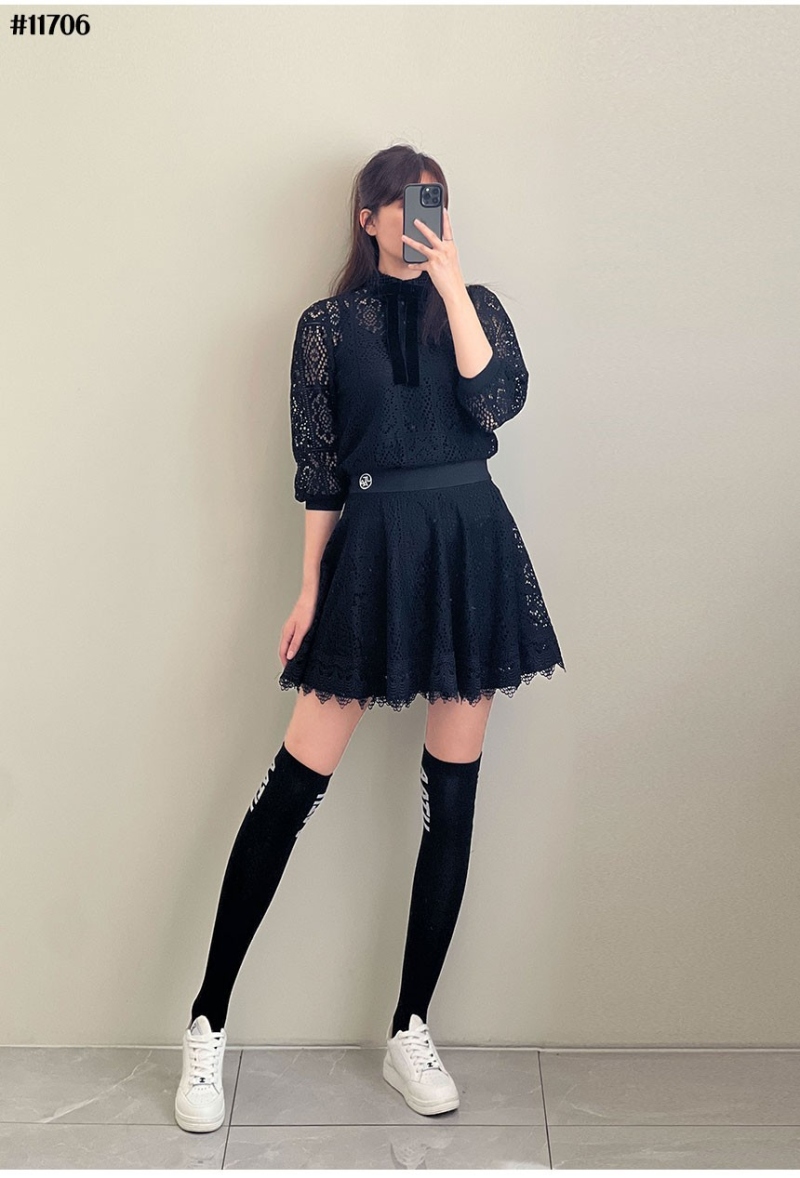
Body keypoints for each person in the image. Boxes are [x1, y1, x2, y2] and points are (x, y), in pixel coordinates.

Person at [174, 144, 565, 1133]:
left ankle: (409, 1026)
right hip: (373, 550)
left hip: (470, 545)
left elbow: (496, 402)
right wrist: (309, 588)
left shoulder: (477, 305)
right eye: (403, 203)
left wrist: (451, 285)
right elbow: (316, 470)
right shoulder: (325, 326)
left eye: (434, 201)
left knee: (452, 800)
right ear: (368, 217)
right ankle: (207, 1020)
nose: (420, 216)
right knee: (289, 790)